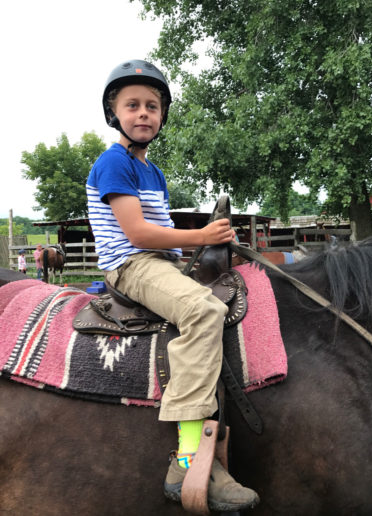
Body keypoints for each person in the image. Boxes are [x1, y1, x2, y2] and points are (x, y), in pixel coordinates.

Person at [86, 59, 259, 512]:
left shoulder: (154, 172)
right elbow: (139, 234)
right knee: (203, 311)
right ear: (114, 113)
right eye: (133, 105)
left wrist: (210, 251)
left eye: (152, 106)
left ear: (161, 115)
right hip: (131, 263)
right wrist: (201, 236)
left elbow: (166, 240)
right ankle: (186, 457)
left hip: (160, 261)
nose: (143, 113)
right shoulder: (113, 163)